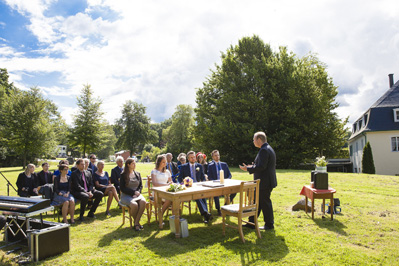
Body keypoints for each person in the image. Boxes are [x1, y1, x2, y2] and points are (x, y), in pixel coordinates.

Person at [239, 131, 277, 230]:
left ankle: (269, 224)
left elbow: (262, 167)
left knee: (265, 203)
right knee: (257, 202)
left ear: (259, 139)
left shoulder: (264, 150)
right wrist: (253, 166)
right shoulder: (267, 148)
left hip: (264, 182)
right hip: (265, 181)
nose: (253, 141)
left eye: (254, 139)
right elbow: (262, 165)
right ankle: (251, 222)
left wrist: (248, 168)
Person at [178, 151, 212, 223]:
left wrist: (204, 183)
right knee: (198, 195)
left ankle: (205, 214)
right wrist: (182, 184)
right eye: (191, 157)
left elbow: (202, 177)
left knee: (202, 195)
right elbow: (179, 178)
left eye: (194, 157)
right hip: (189, 187)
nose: (193, 159)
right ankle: (206, 214)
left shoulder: (199, 166)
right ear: (188, 159)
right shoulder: (184, 167)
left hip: (198, 185)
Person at [120, 158, 147, 231]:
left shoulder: (137, 174)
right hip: (126, 195)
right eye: (133, 163)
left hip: (137, 194)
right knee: (134, 205)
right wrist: (133, 192)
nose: (135, 165)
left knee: (143, 202)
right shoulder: (123, 175)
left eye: (135, 163)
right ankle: (137, 223)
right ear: (128, 165)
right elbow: (122, 188)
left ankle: (136, 222)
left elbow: (140, 186)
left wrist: (137, 192)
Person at [207, 150, 235, 216]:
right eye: (215, 155)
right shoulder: (210, 166)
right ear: (213, 157)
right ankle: (218, 209)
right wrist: (215, 182)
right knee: (216, 194)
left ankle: (225, 206)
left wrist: (227, 180)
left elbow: (229, 175)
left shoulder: (224, 164)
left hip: (225, 183)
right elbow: (209, 176)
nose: (217, 157)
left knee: (235, 191)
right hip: (216, 184)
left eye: (218, 155)